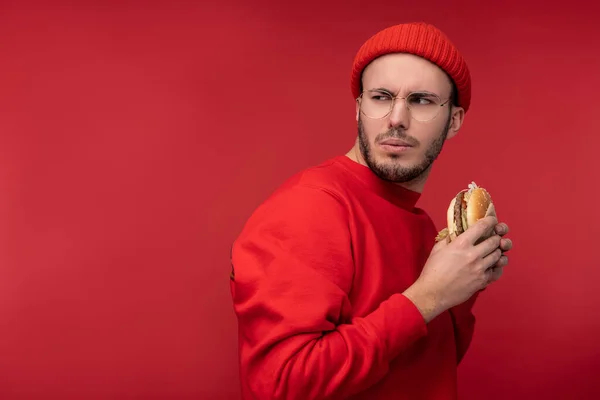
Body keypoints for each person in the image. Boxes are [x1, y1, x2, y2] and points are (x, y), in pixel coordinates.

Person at [229, 22, 513, 400]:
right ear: (359, 108)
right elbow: (280, 386)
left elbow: (421, 372)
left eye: (422, 100)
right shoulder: (309, 207)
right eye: (381, 97)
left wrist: (463, 286)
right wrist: (428, 297)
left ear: (455, 120)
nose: (397, 118)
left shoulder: (426, 230)